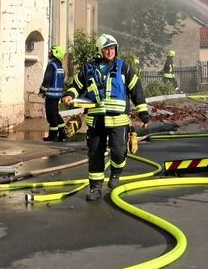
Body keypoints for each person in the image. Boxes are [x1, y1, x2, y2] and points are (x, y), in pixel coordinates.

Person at [61, 33, 149, 202]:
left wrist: (144, 114)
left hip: (119, 121)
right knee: (95, 154)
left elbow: (136, 90)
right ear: (99, 51)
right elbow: (76, 86)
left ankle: (115, 174)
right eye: (106, 49)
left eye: (112, 48)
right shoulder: (88, 69)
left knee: (118, 151)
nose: (110, 52)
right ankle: (95, 188)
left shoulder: (124, 68)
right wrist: (69, 95)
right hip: (96, 121)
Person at [39, 44, 67, 142]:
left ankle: (53, 136)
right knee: (55, 113)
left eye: (51, 51)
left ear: (55, 53)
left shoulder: (51, 65)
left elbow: (47, 79)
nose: (50, 53)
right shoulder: (60, 67)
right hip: (58, 95)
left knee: (51, 116)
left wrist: (42, 91)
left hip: (50, 95)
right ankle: (62, 133)